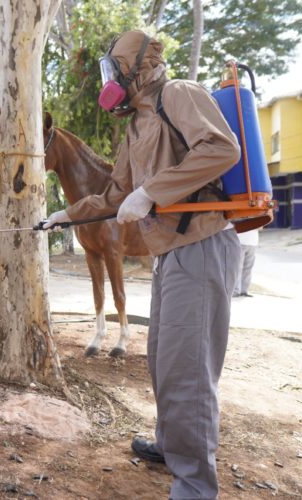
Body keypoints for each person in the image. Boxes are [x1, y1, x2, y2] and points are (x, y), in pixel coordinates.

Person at [43, 30, 241, 499]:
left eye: (113, 71)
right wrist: (65, 215)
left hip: (204, 242)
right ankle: (172, 445)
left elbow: (221, 149)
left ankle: (194, 486)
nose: (108, 82)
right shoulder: (136, 126)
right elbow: (115, 195)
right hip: (169, 253)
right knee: (164, 359)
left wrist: (153, 191)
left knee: (188, 369)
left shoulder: (179, 94)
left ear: (135, 67)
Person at [233, 228, 259, 297]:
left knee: (248, 268)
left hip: (253, 243)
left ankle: (244, 291)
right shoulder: (239, 216)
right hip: (240, 241)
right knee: (238, 268)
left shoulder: (258, 216)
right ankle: (236, 290)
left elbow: (261, 227)